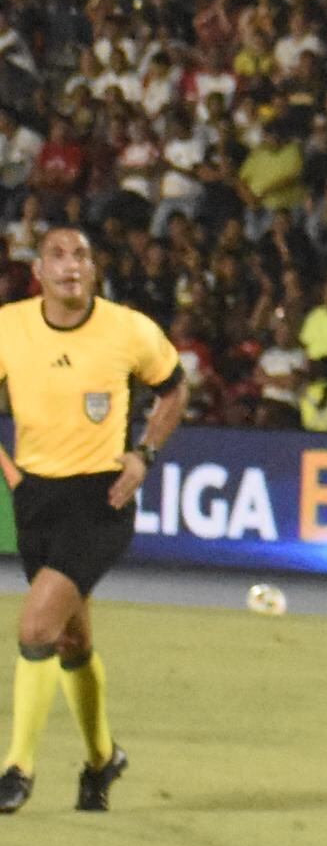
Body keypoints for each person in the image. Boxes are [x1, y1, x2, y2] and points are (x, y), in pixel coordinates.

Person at [0, 226, 185, 813]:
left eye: (81, 255)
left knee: (35, 629)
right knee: (73, 639)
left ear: (94, 270)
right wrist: (9, 471)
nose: (70, 265)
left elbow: (174, 390)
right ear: (39, 274)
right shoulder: (10, 326)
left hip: (100, 501)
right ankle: (103, 760)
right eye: (56, 255)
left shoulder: (128, 329)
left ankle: (17, 769)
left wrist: (145, 455)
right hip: (36, 500)